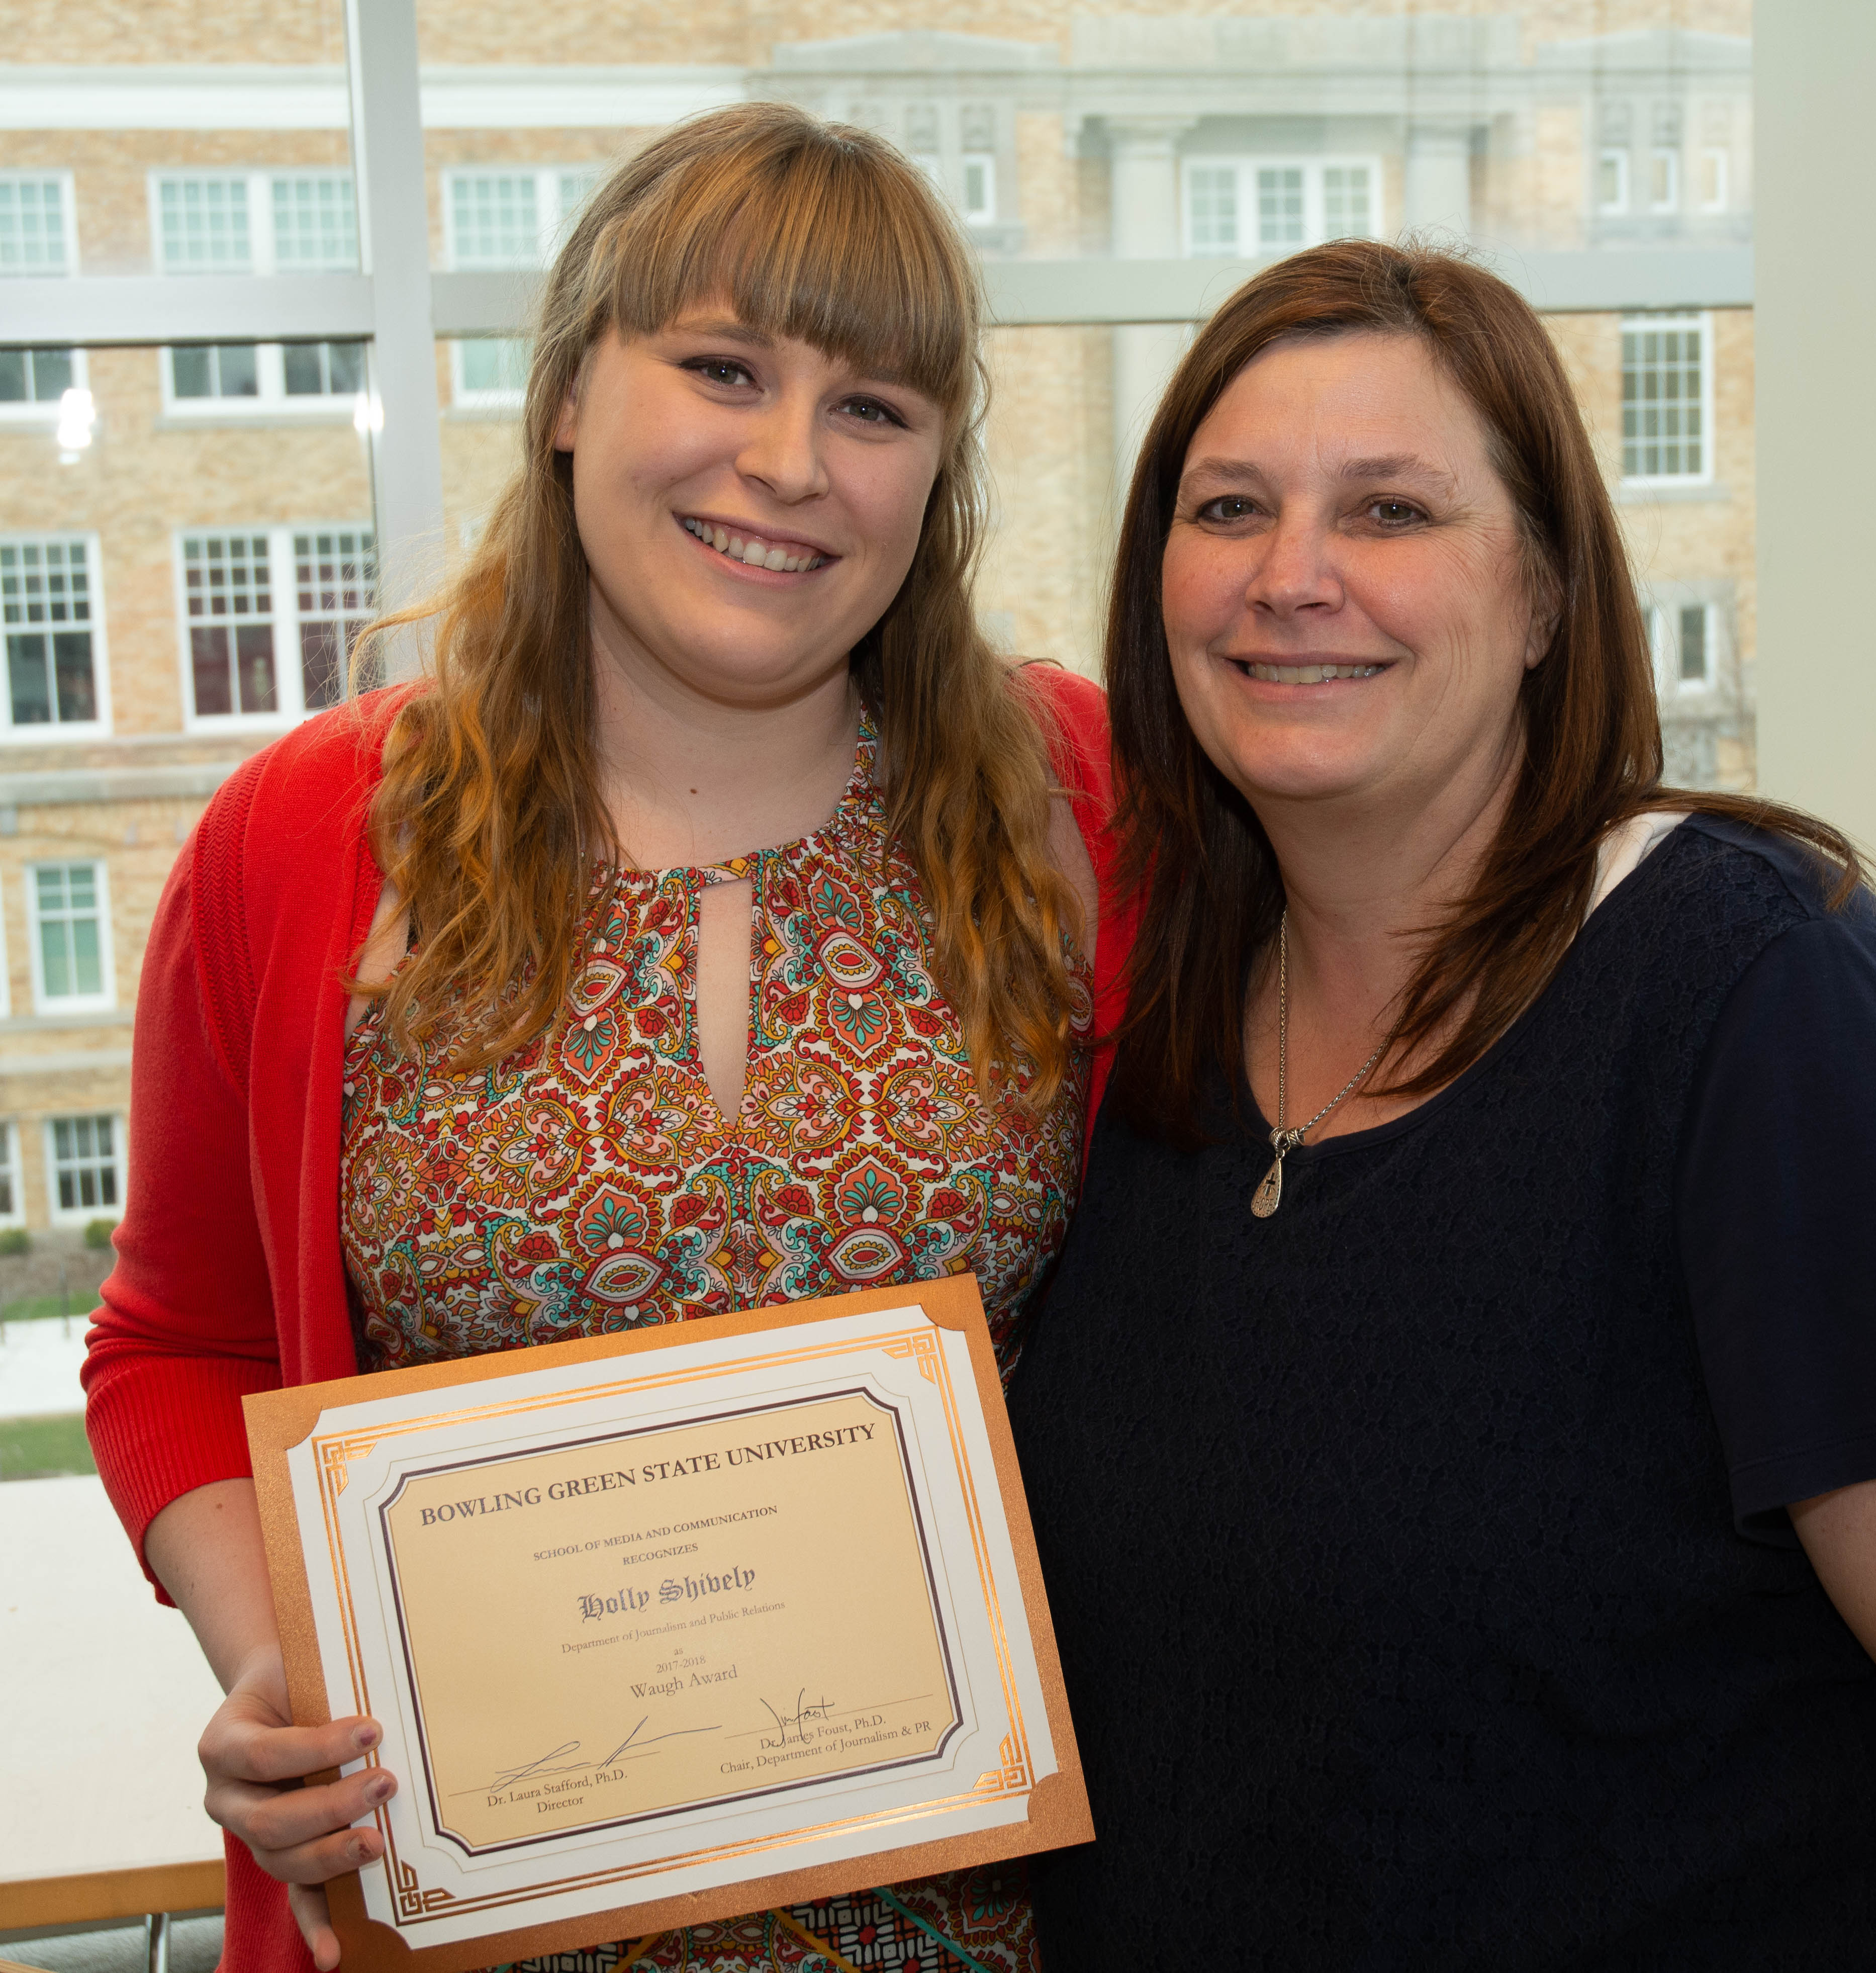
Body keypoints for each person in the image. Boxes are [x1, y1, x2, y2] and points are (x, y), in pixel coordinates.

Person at [1009, 239, 1876, 1970]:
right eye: (1228, 508)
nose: (1291, 576)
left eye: (1390, 511)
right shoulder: (1153, 1020)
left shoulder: (1758, 996)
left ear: (1546, 595)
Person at [84, 105, 1132, 1973]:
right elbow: (181, 1341)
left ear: (937, 469)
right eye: (721, 368)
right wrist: (276, 1672)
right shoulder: (309, 837)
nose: (788, 461)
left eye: (872, 406)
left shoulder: (1079, 798)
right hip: (488, 1919)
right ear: (570, 390)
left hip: (1000, 1923)